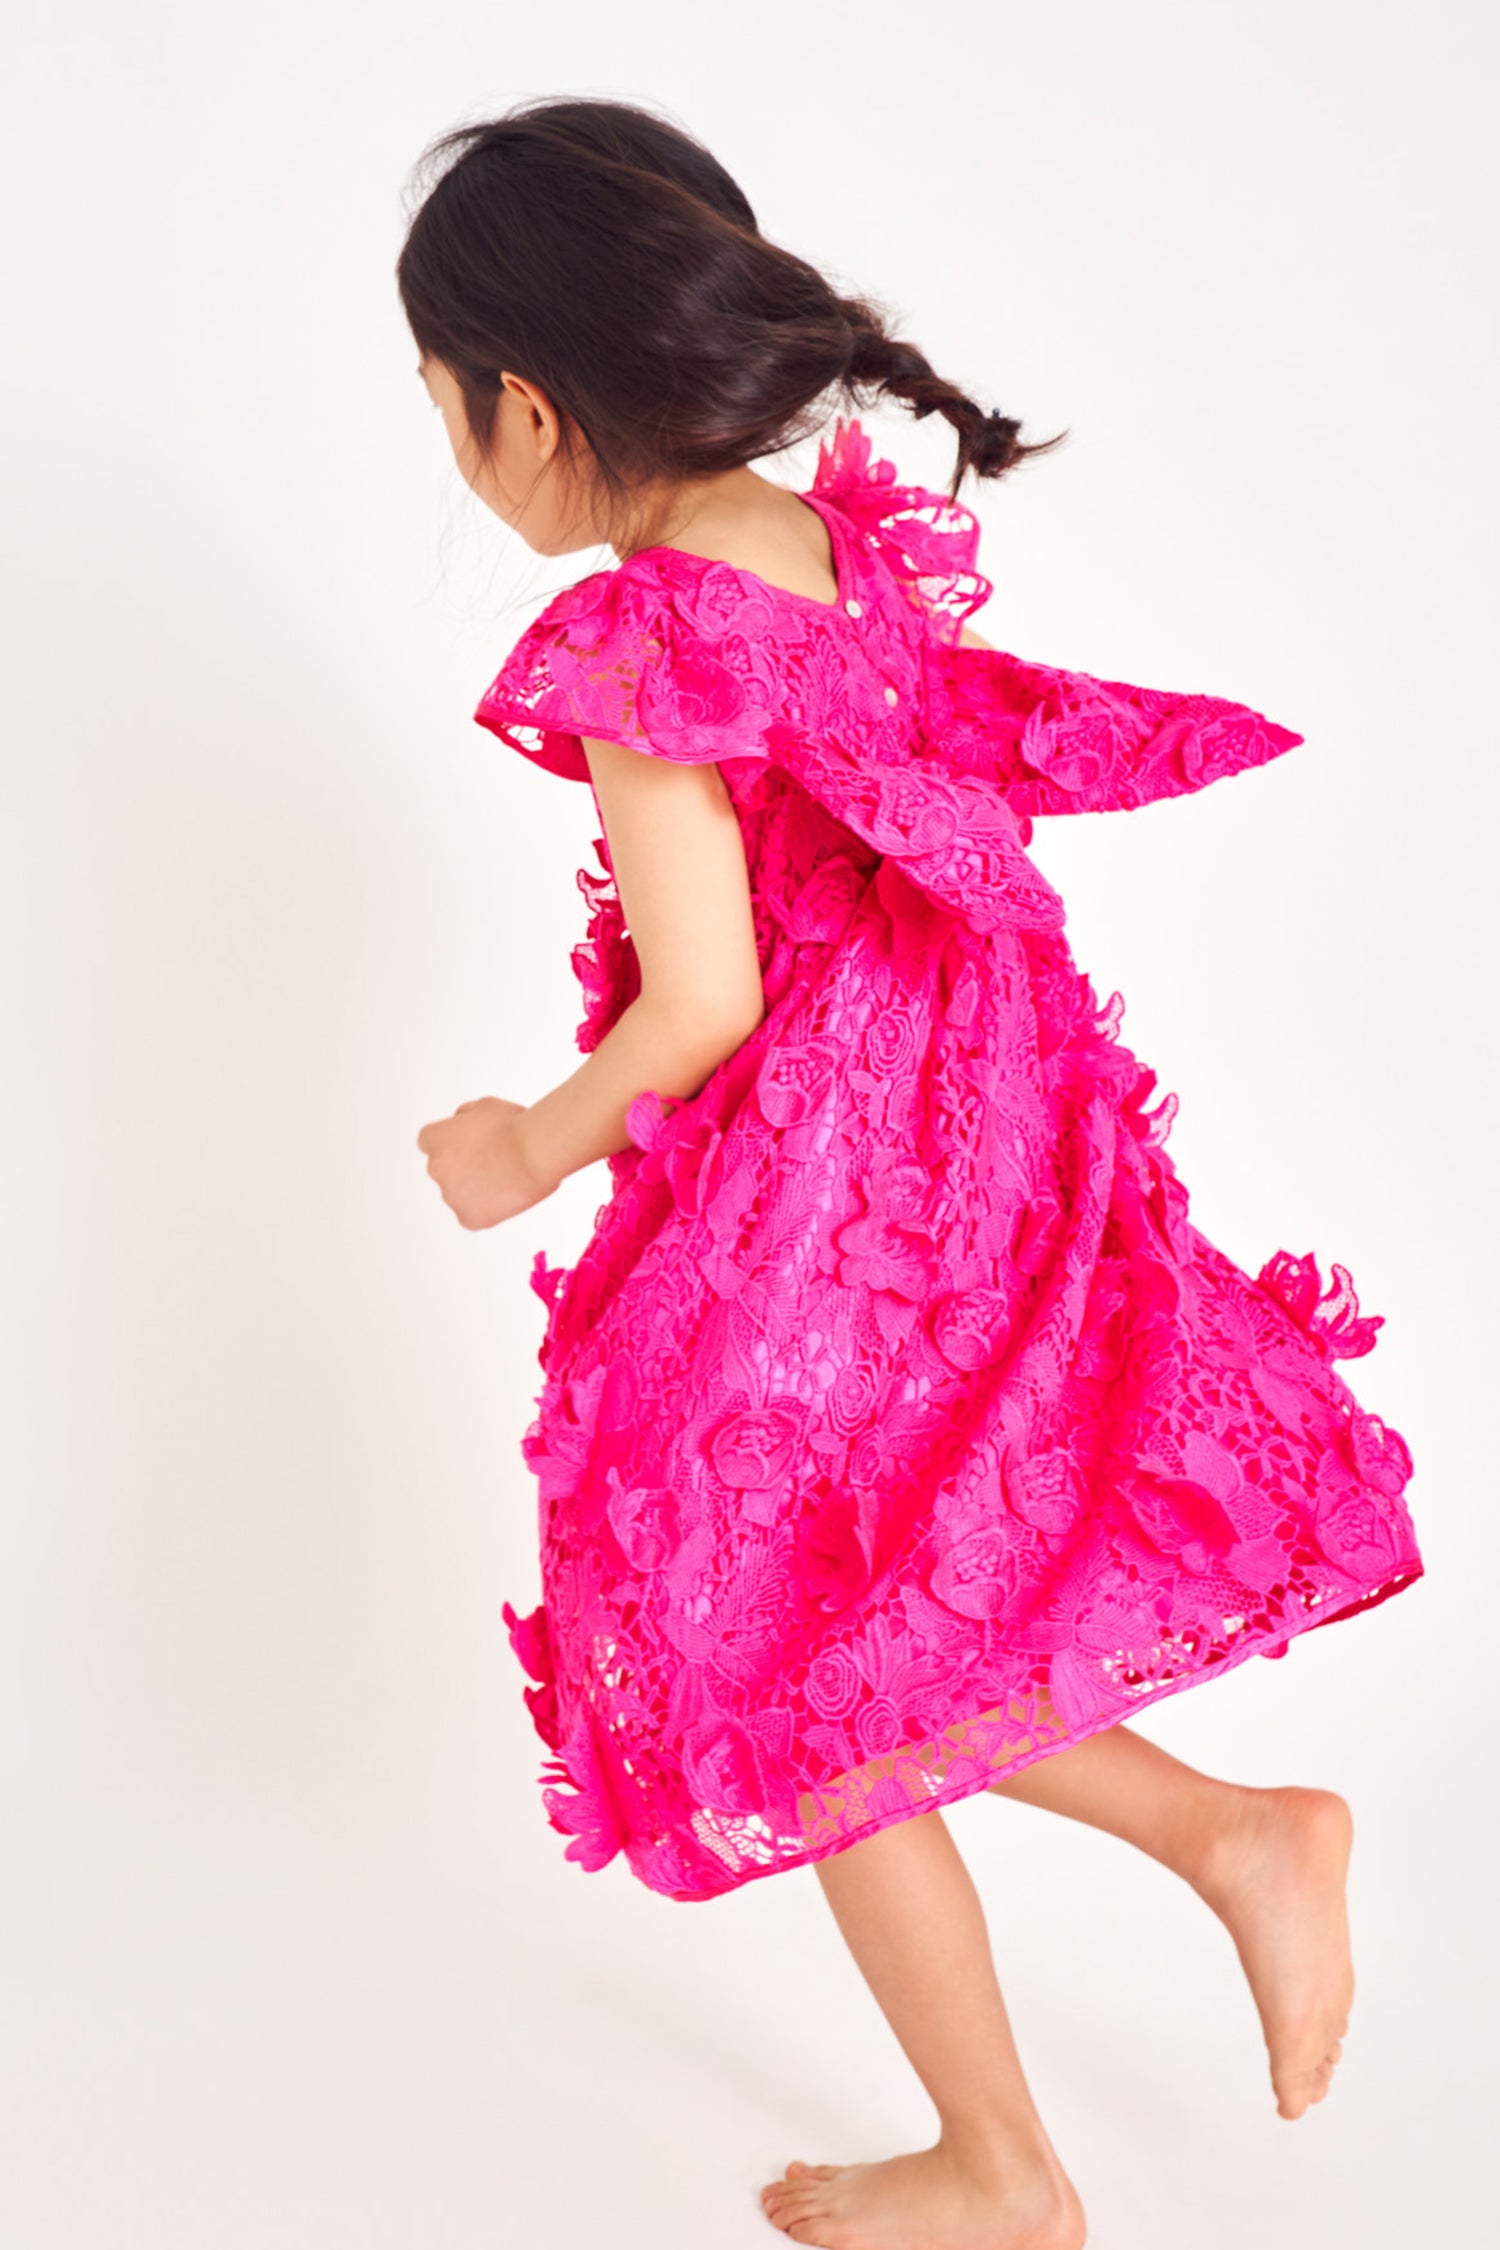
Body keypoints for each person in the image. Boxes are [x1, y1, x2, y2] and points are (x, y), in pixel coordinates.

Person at [402, 94, 1422, 2250]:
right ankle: (1227, 1847)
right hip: (968, 1145)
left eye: (444, 411)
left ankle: (1010, 2157)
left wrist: (519, 1145)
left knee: (776, 1652)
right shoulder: (821, 547)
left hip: (816, 1188)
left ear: (526, 405)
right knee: (867, 1616)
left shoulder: (646, 638)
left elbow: (701, 1002)